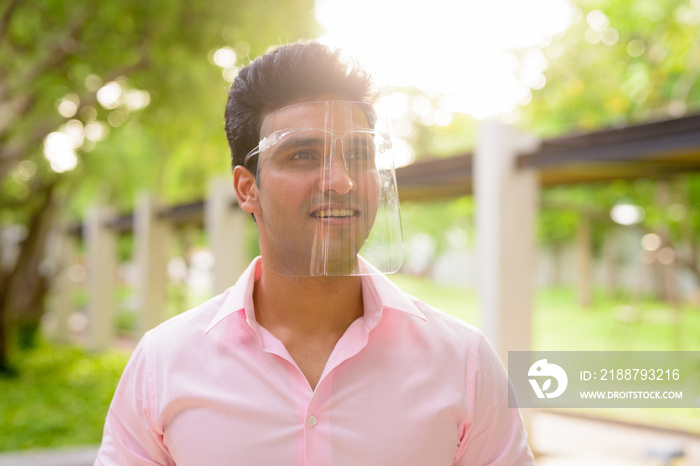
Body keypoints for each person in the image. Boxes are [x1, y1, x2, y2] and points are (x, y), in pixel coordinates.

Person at [95, 41, 535, 465]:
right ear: (248, 189)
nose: (341, 181)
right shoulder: (164, 363)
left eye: (358, 153)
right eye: (303, 154)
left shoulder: (463, 363)